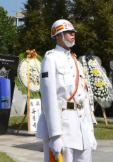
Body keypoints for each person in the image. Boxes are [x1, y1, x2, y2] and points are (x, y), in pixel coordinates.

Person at [36, 19, 96, 162]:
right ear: (57, 36)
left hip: (81, 126)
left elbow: (84, 98)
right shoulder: (51, 59)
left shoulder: (76, 62)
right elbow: (49, 99)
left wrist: (91, 131)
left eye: (73, 32)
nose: (72, 35)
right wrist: (55, 135)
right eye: (68, 32)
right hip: (64, 126)